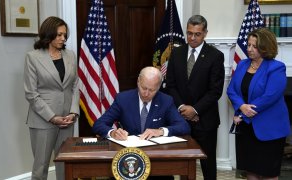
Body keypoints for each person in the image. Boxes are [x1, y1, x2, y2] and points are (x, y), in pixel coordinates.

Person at [166, 15, 225, 180]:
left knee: (207, 163)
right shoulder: (176, 53)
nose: (192, 37)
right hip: (180, 118)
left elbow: (215, 91)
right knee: (182, 161)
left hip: (205, 120)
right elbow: (170, 85)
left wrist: (195, 109)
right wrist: (182, 108)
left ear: (205, 33)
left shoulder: (215, 56)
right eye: (189, 33)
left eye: (197, 34)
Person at [227, 28, 290, 180]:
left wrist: (243, 114)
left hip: (269, 130)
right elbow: (231, 90)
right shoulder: (242, 64)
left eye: (254, 46)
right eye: (248, 45)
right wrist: (241, 107)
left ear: (265, 47)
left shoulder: (276, 67)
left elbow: (270, 96)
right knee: (250, 171)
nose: (249, 49)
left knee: (268, 174)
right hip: (247, 129)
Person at [24, 16, 79, 180]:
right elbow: (31, 94)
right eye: (59, 35)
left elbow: (75, 85)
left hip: (67, 120)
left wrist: (73, 112)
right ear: (48, 35)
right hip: (43, 120)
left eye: (65, 35)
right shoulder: (32, 57)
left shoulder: (70, 55)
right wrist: (52, 117)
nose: (63, 38)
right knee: (41, 167)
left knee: (65, 165)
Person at [92, 66, 190, 142]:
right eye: (143, 88)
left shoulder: (166, 101)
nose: (146, 94)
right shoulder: (123, 99)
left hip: (155, 152)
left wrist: (160, 131)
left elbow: (184, 127)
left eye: (151, 90)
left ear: (159, 87)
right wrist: (113, 133)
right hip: (128, 151)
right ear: (138, 82)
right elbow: (98, 124)